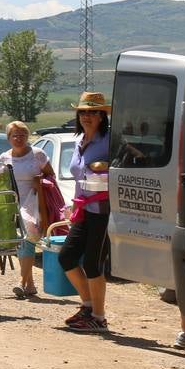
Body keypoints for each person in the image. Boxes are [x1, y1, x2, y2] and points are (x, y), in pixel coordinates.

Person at [61, 91, 114, 333]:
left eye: (93, 112)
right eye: (83, 111)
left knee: (93, 263)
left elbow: (130, 165)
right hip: (83, 209)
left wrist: (108, 166)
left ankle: (99, 317)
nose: (87, 116)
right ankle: (88, 305)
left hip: (104, 210)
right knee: (67, 256)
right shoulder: (78, 141)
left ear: (103, 116)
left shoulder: (110, 141)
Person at [0, 120, 55, 299]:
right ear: (9, 138)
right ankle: (29, 284)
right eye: (15, 135)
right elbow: (0, 181)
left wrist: (40, 183)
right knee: (22, 243)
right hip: (13, 205)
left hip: (34, 205)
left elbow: (50, 176)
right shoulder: (4, 157)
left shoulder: (38, 154)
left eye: (22, 135)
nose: (19, 138)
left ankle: (22, 282)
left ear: (27, 136)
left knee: (27, 238)